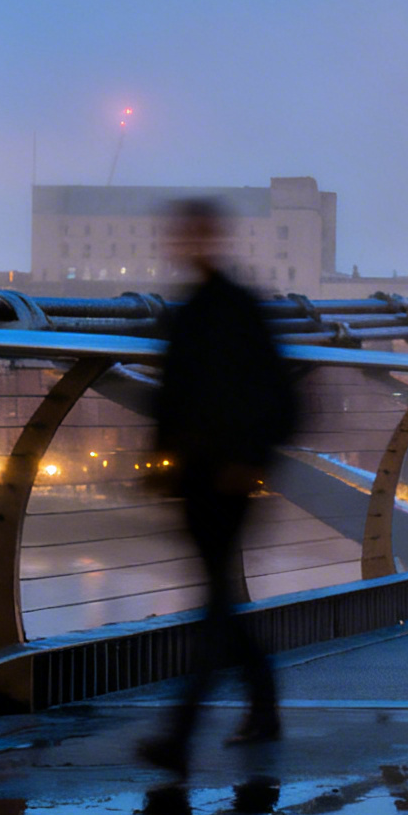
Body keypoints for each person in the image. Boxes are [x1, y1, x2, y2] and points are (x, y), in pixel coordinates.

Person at [138, 200, 300, 778]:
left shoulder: (229, 309)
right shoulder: (200, 311)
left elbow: (282, 399)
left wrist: (246, 459)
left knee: (213, 604)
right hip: (196, 476)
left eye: (195, 232)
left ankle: (179, 736)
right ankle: (263, 703)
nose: (186, 241)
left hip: (225, 479)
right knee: (221, 598)